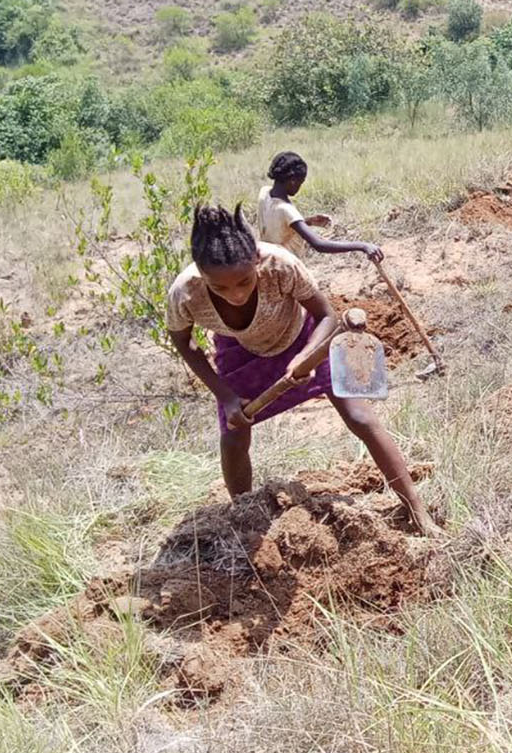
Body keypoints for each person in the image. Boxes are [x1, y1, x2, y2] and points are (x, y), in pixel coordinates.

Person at [167, 204, 440, 536]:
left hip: (305, 339)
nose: (235, 294)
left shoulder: (280, 264)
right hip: (239, 352)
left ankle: (416, 509)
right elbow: (184, 342)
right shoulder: (186, 291)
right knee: (234, 436)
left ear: (255, 260)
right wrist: (224, 396)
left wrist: (305, 356)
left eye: (243, 281)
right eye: (220, 288)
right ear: (201, 272)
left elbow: (328, 316)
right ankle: (246, 520)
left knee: (360, 417)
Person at [257, 151, 383, 262]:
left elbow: (276, 223)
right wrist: (362, 246)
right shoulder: (286, 210)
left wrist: (308, 221)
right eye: (301, 182)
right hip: (287, 268)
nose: (299, 187)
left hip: (266, 262)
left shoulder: (265, 193)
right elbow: (319, 244)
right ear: (293, 180)